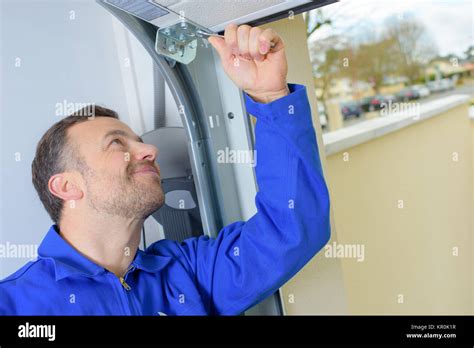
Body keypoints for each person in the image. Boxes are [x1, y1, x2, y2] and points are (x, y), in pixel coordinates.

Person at [0, 23, 331, 315]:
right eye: (117, 143)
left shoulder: (188, 272)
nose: (149, 149)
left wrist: (270, 95)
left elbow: (291, 228)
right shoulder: (13, 304)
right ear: (67, 186)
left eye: (138, 140)